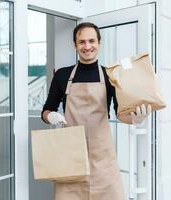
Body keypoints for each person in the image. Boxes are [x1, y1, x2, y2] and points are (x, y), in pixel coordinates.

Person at [41, 22, 151, 200]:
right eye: (82, 42)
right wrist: (51, 116)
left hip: (102, 159)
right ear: (75, 45)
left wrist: (136, 119)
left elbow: (119, 112)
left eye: (91, 41)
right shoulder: (62, 75)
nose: (87, 46)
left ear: (99, 43)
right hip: (70, 156)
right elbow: (46, 111)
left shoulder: (110, 75)